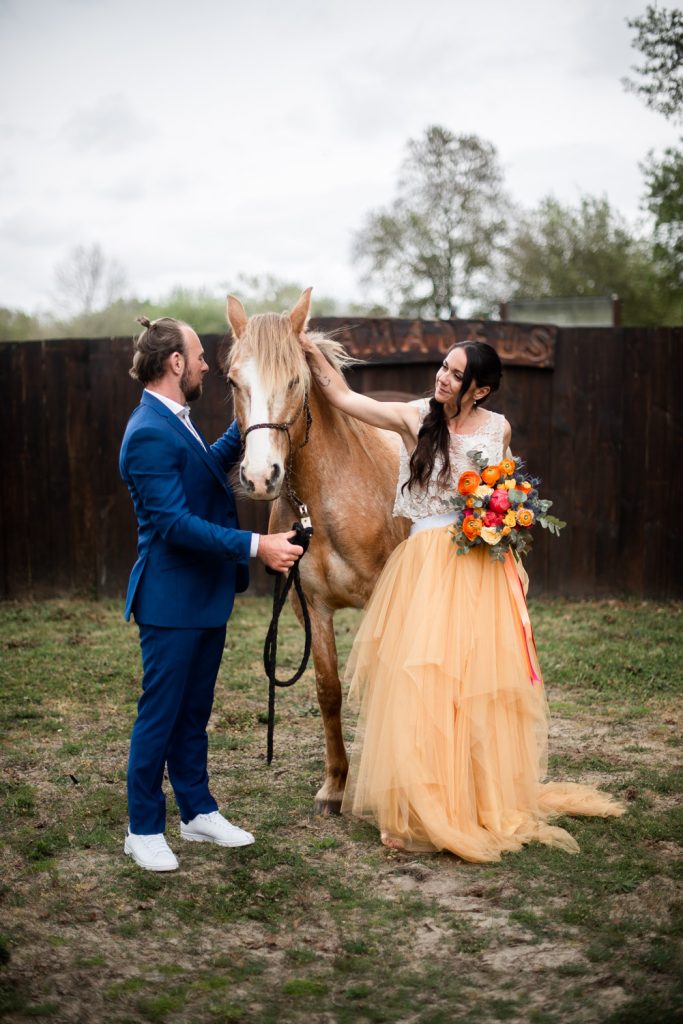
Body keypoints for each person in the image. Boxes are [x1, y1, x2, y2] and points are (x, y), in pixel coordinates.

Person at [299, 334, 624, 862]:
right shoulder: (414, 418)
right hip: (425, 564)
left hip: (477, 569)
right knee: (421, 682)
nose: (442, 378)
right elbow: (343, 398)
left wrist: (502, 516)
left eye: (455, 374)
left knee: (475, 683)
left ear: (481, 390)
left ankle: (473, 797)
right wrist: (309, 353)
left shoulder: (498, 429)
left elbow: (505, 486)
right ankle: (414, 807)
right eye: (443, 368)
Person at [119, 316, 303, 872]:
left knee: (194, 713)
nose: (206, 365)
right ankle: (143, 826)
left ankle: (196, 811)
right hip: (171, 601)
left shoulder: (178, 421)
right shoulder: (147, 430)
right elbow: (175, 524)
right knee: (161, 715)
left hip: (203, 597)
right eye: (199, 356)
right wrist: (257, 545)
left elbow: (207, 466)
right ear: (176, 362)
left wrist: (261, 417)